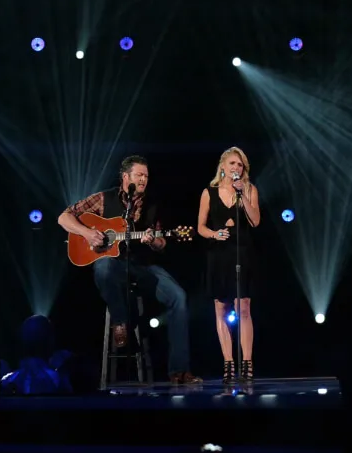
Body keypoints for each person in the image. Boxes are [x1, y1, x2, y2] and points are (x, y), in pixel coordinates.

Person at [57, 155, 201, 384]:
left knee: (178, 297)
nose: (143, 180)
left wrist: (153, 241)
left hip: (142, 265)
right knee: (103, 266)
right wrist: (87, 233)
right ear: (126, 177)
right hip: (113, 266)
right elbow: (63, 217)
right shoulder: (103, 199)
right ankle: (120, 321)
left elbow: (162, 244)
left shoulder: (152, 205)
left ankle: (179, 371)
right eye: (139, 175)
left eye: (146, 176)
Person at [196, 147, 261, 384]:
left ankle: (247, 362)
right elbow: (200, 227)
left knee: (243, 307)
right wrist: (214, 234)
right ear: (223, 166)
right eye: (232, 163)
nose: (236, 168)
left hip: (242, 251)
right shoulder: (208, 192)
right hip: (218, 253)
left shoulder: (249, 190)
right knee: (221, 308)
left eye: (240, 165)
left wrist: (243, 195)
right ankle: (228, 363)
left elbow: (255, 221)